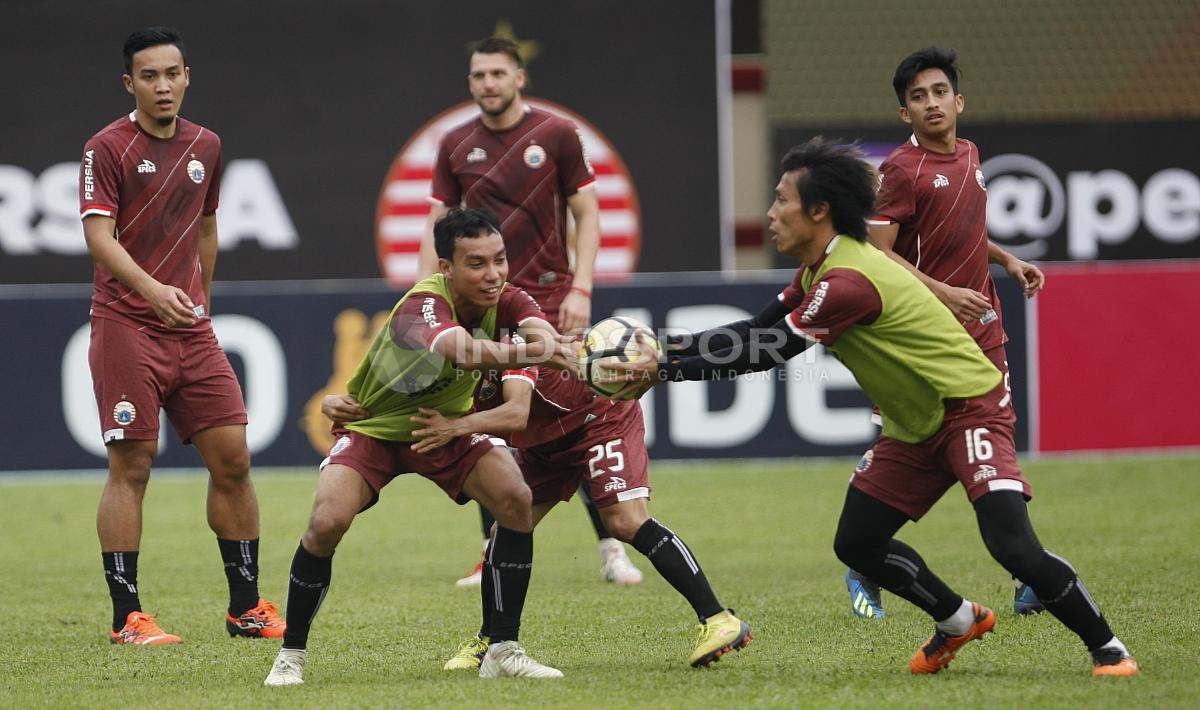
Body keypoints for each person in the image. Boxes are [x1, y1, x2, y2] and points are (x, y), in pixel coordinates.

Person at [608, 138, 1139, 678]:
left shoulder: (848, 280)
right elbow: (755, 330)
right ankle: (958, 619)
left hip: (969, 408)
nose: (770, 213)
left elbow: (766, 352)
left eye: (780, 200)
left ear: (819, 211)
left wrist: (662, 368)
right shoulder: (822, 268)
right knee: (858, 543)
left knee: (1013, 546)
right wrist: (664, 349)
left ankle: (1109, 648)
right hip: (916, 425)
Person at [264, 208, 577, 686]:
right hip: (375, 427)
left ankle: (504, 649)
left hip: (443, 427)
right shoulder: (422, 304)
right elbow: (463, 351)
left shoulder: (510, 299)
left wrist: (561, 348)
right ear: (445, 267)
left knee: (515, 497)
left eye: (499, 260)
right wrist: (541, 351)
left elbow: (544, 336)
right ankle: (291, 657)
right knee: (326, 522)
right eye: (476, 263)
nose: (492, 274)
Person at [79, 26, 283, 646]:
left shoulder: (207, 145)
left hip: (190, 330)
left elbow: (207, 229)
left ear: (187, 76)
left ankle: (245, 607)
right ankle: (127, 618)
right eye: (149, 76)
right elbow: (98, 237)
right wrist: (152, 292)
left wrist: (202, 302)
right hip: (125, 325)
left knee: (234, 459)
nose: (162, 86)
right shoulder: (106, 147)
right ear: (129, 83)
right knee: (132, 466)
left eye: (172, 73)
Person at [418, 36, 642, 588]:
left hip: (550, 298)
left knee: (583, 412)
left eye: (497, 73)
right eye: (478, 76)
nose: (487, 83)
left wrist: (582, 287)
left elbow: (587, 213)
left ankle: (613, 546)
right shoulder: (454, 143)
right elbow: (437, 226)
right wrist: (433, 296)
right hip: (484, 308)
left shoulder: (557, 134)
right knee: (492, 421)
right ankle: (490, 548)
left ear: (520, 77)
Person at [845, 46, 1048, 620]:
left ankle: (1023, 572)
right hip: (923, 341)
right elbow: (877, 256)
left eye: (939, 93)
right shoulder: (901, 172)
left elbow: (960, 231)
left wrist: (1006, 261)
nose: (931, 103)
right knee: (909, 449)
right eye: (917, 97)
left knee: (993, 448)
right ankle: (864, 561)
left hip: (981, 335)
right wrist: (942, 293)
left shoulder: (971, 155)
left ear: (958, 101)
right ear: (904, 113)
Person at [392, 361, 750, 669]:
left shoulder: (504, 332)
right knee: (508, 526)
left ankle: (719, 619)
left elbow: (514, 413)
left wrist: (453, 428)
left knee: (624, 521)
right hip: (545, 440)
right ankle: (492, 641)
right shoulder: (443, 353)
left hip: (598, 416)